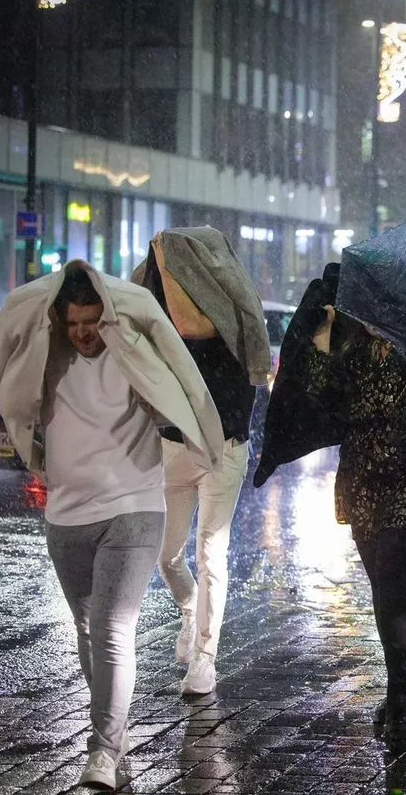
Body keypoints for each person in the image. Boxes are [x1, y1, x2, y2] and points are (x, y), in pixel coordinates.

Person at [0, 262, 223, 790]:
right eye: (74, 322)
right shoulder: (37, 338)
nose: (84, 331)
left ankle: (102, 750)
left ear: (107, 314)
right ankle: (113, 730)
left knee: (112, 629)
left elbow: (185, 374)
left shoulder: (133, 334)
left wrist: (209, 440)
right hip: (66, 514)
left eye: (93, 321)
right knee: (86, 630)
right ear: (58, 316)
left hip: (135, 505)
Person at [299, 298, 406, 743]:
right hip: (364, 478)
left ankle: (400, 693)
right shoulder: (351, 347)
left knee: (396, 575)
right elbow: (321, 399)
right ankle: (402, 681)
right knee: (383, 584)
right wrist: (323, 341)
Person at [133, 227, 270, 696]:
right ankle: (190, 610)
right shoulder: (168, 321)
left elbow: (190, 324)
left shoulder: (230, 317)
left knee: (210, 553)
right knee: (166, 555)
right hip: (173, 447)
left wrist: (165, 254)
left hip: (224, 449)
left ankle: (206, 659)